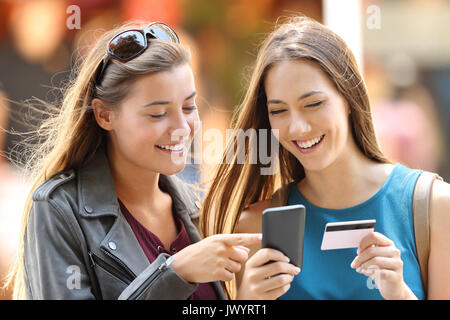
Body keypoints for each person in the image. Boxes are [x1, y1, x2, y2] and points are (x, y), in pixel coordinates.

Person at [3, 21, 261, 300]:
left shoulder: (195, 209)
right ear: (104, 115)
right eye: (158, 114)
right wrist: (175, 274)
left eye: (188, 107)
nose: (182, 128)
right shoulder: (58, 210)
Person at [200, 16, 450, 300]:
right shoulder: (257, 226)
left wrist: (399, 294)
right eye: (279, 111)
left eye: (314, 104)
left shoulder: (435, 208)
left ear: (349, 98)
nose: (298, 128)